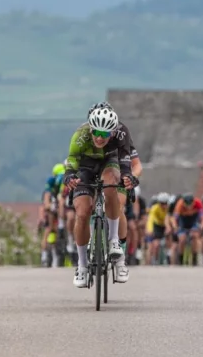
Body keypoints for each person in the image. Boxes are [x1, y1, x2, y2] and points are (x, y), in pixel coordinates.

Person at [62, 105, 138, 287]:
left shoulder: (122, 133)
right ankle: (82, 265)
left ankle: (113, 241)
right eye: (96, 132)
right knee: (82, 212)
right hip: (85, 166)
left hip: (108, 162)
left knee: (111, 183)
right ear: (90, 128)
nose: (99, 137)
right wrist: (70, 176)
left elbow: (125, 162)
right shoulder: (80, 135)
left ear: (112, 132)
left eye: (104, 134)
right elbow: (72, 160)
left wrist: (127, 178)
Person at [81, 102, 144, 265]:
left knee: (117, 206)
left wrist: (132, 177)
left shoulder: (122, 135)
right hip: (95, 171)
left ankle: (119, 252)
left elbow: (136, 165)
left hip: (117, 173)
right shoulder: (85, 136)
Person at [40, 163, 66, 266]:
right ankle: (44, 254)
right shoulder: (51, 181)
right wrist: (48, 205)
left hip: (60, 205)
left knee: (58, 229)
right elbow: (47, 195)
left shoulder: (65, 181)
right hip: (52, 204)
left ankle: (58, 252)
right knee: (48, 228)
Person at [172, 193, 203, 265]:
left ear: (193, 202)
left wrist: (201, 226)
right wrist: (175, 227)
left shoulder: (198, 203)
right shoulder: (180, 204)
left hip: (193, 221)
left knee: (195, 236)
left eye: (190, 204)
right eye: (187, 204)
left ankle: (194, 258)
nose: (189, 207)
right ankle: (181, 258)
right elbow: (174, 218)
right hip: (183, 221)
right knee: (182, 239)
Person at [146, 192, 175, 265]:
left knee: (169, 239)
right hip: (157, 225)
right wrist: (150, 230)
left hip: (167, 225)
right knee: (156, 244)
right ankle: (155, 260)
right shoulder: (155, 208)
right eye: (162, 203)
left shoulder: (170, 208)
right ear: (159, 203)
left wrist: (172, 227)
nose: (164, 205)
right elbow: (150, 219)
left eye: (165, 203)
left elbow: (171, 218)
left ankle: (169, 255)